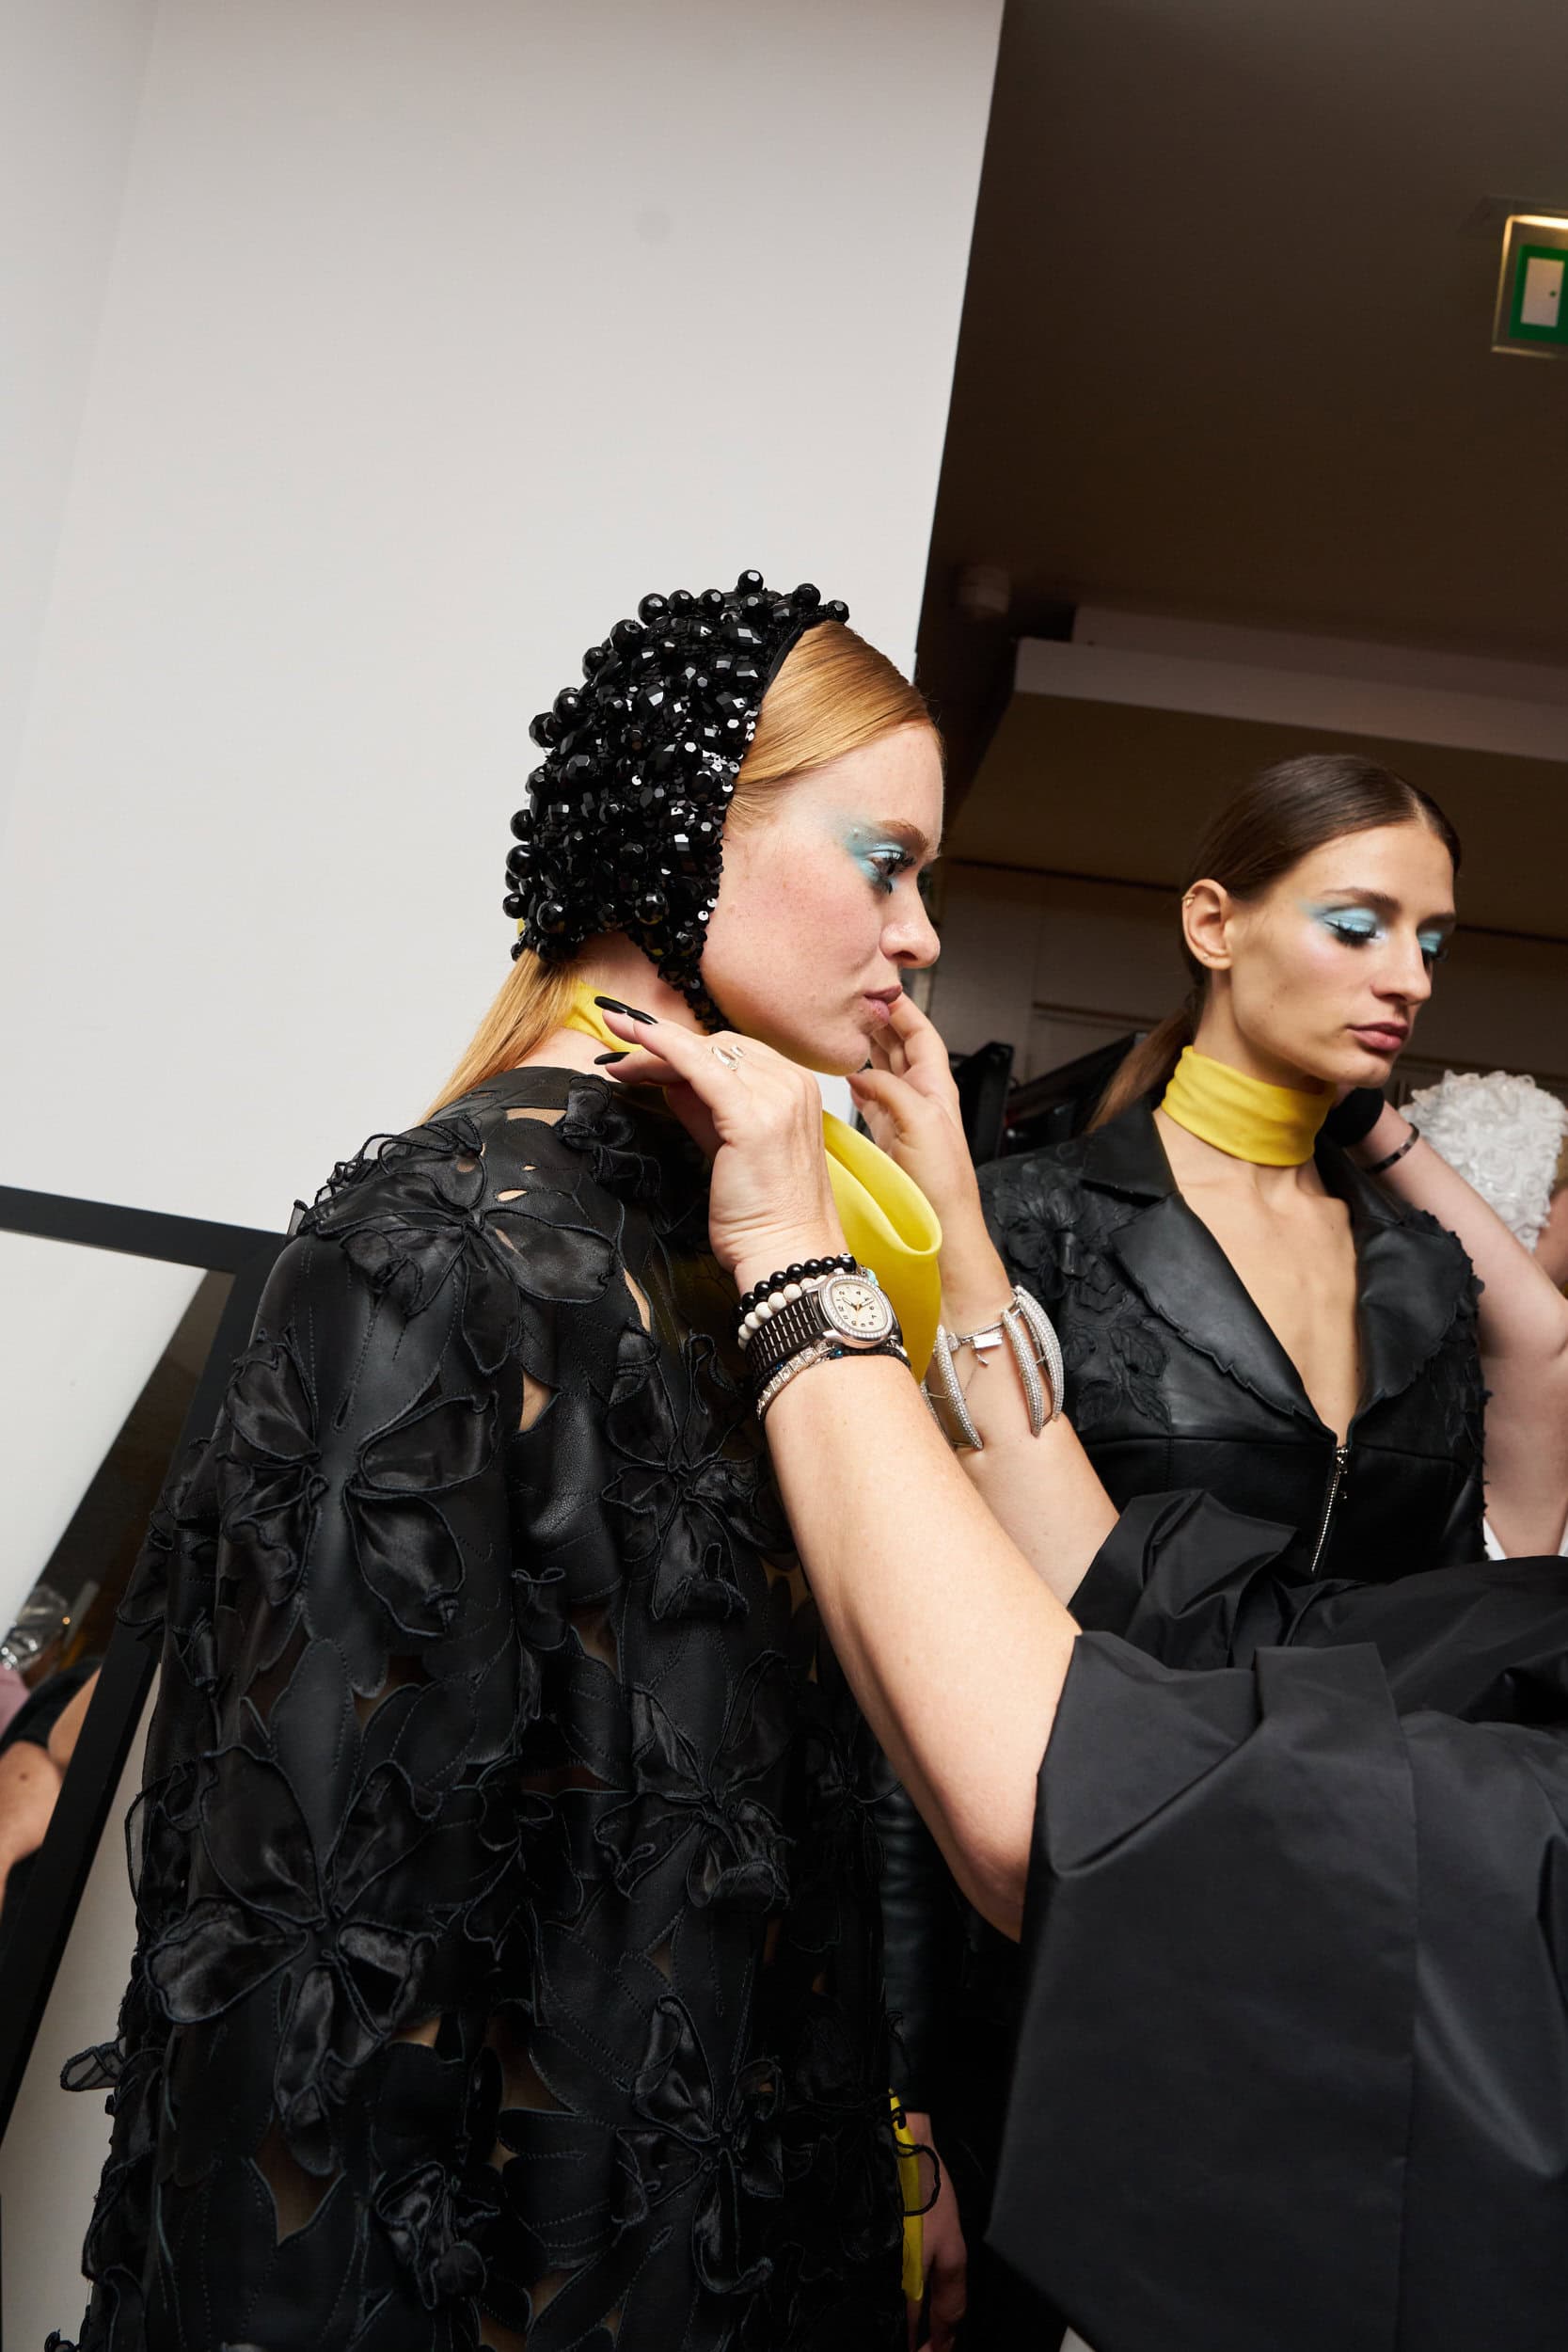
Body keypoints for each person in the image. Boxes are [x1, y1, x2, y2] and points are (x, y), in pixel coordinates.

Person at [60, 573, 960, 2352]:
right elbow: (301, 1978)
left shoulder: (761, 1259)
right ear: (684, 827)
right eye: (888, 863)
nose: (921, 933)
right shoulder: (435, 1254)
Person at [594, 1000, 1568, 2352]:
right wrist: (955, 1227)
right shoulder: (1058, 1211)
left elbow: (1086, 1800)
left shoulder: (1418, 1270)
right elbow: (1177, 1617)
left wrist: (795, 1265)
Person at [868, 755, 1568, 2339]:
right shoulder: (1023, 1225)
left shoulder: (1425, 1278)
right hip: (1029, 1975)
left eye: (1432, 941)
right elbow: (894, 1686)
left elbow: (1429, 1666)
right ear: (1213, 923)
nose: (1408, 978)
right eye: (1359, 924)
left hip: (1310, 1995)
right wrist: (896, 2092)